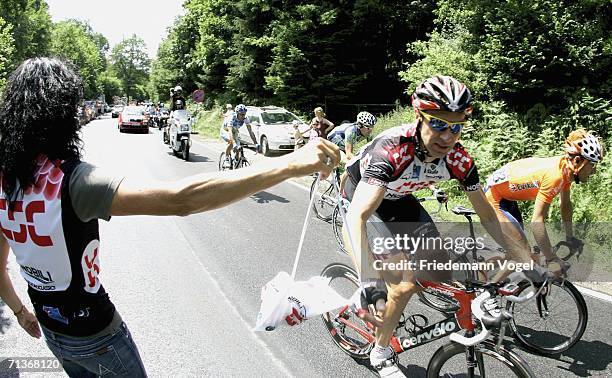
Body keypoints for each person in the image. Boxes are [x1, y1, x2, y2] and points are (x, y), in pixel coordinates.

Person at [0, 57, 340, 377]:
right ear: (63, 116)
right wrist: (290, 164)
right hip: (97, 336)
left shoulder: (5, 180)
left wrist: (19, 312)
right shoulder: (74, 181)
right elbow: (181, 199)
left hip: (51, 330)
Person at [341, 75, 540, 377]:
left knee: (439, 264)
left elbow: (488, 215)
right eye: (438, 124)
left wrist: (524, 259)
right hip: (364, 197)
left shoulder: (459, 159)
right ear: (418, 116)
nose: (448, 136)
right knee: (402, 285)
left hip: (400, 198)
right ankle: (380, 352)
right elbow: (356, 218)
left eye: (456, 126)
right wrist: (369, 279)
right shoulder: (393, 151)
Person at [484, 128, 604, 267]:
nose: (594, 171)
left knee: (520, 254)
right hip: (493, 198)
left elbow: (565, 205)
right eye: (592, 165)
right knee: (524, 253)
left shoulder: (566, 169)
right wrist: (551, 258)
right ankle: (483, 280)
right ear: (578, 161)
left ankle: (485, 274)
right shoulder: (555, 176)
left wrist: (569, 237)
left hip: (506, 196)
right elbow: (537, 221)